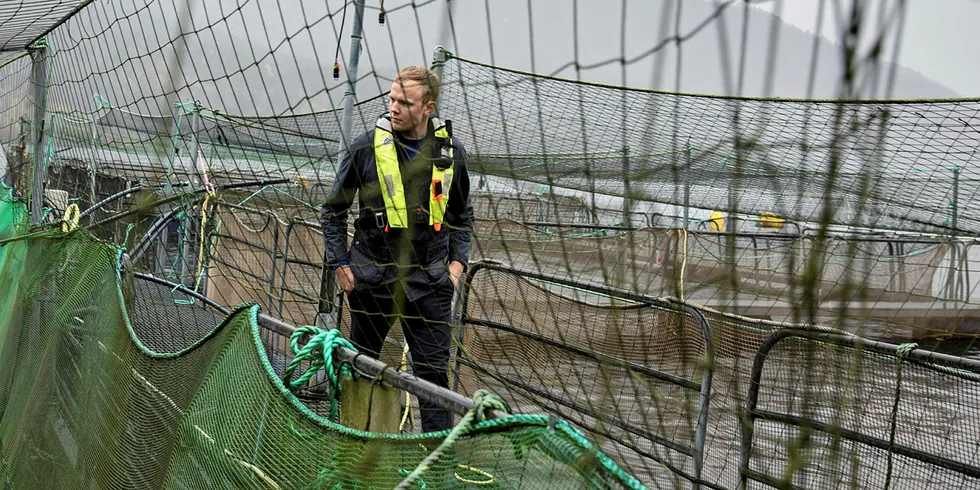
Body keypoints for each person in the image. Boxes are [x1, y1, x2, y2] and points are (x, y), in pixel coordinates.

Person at [321, 66, 473, 432]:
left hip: (430, 282)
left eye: (404, 102)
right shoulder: (364, 147)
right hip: (372, 278)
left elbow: (462, 215)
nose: (394, 107)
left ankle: (435, 466)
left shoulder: (450, 153)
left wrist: (457, 267)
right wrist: (341, 264)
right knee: (363, 367)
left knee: (434, 381)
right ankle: (356, 445)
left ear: (428, 108)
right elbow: (332, 211)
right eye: (391, 99)